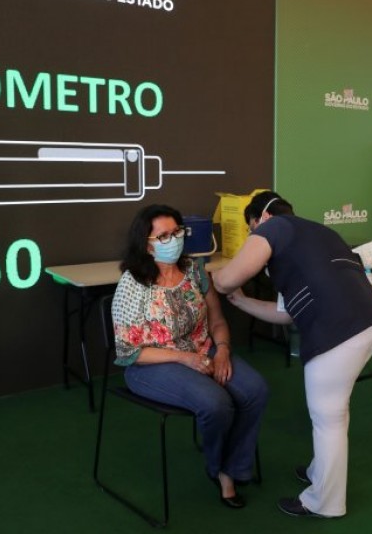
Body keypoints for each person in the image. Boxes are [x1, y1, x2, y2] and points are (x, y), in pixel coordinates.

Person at [212, 192, 372, 519]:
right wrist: (242, 302)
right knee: (335, 412)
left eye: (251, 229)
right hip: (369, 322)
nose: (252, 236)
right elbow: (288, 312)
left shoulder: (272, 228)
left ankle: (324, 502)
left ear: (259, 219)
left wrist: (219, 282)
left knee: (328, 418)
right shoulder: (319, 232)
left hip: (336, 330)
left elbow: (225, 280)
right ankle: (321, 472)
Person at [111, 204, 268, 510]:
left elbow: (218, 321)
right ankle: (219, 469)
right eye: (164, 236)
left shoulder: (196, 272)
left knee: (255, 390)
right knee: (215, 403)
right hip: (151, 363)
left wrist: (222, 351)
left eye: (177, 232)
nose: (174, 240)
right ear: (146, 243)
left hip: (203, 349)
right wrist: (185, 360)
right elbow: (129, 351)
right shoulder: (133, 284)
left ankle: (232, 465)